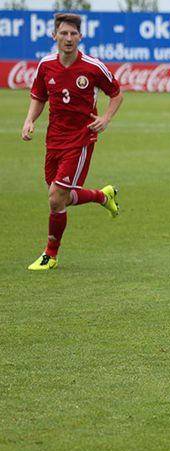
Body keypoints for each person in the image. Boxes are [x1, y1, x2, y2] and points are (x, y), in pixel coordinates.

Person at [22, 12, 122, 271]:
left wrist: (106, 119)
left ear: (80, 36)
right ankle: (102, 196)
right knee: (60, 198)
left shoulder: (92, 66)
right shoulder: (46, 65)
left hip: (81, 139)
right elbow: (39, 96)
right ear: (54, 35)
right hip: (54, 139)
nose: (68, 38)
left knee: (56, 198)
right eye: (63, 33)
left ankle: (50, 254)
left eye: (73, 34)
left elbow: (116, 93)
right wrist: (30, 120)